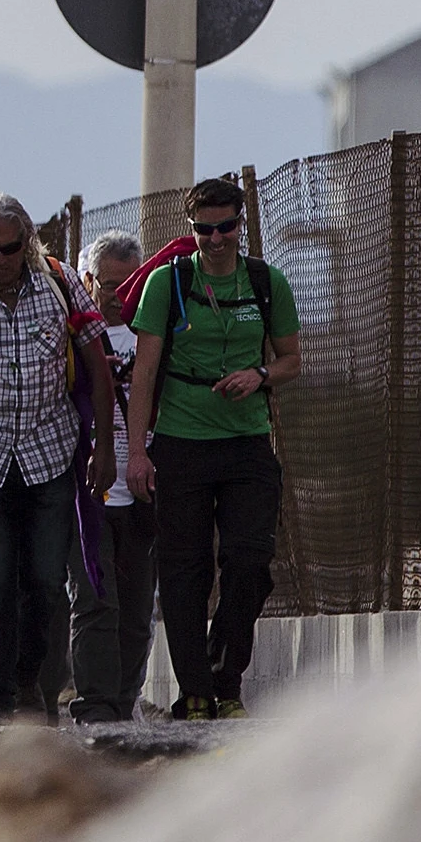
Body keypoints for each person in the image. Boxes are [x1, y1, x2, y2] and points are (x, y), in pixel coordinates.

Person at [126, 176, 304, 718]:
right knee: (185, 568)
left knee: (249, 560)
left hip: (247, 442)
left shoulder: (266, 282)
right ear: (192, 229)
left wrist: (259, 375)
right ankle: (197, 690)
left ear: (241, 224)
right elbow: (145, 371)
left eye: (225, 227)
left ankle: (227, 675)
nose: (215, 239)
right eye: (204, 229)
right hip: (182, 442)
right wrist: (137, 452)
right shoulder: (168, 282)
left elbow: (292, 360)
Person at [0, 193, 115, 722]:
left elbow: (98, 366)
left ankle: (35, 687)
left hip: (50, 451)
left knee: (44, 579)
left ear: (28, 244)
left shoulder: (61, 284)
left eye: (10, 249)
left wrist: (104, 445)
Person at [76, 229, 160, 721]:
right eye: (110, 284)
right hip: (91, 487)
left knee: (136, 608)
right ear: (88, 282)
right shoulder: (76, 339)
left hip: (144, 484)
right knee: (94, 599)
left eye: (131, 283)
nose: (120, 294)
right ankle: (95, 703)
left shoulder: (155, 332)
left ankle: (124, 699)